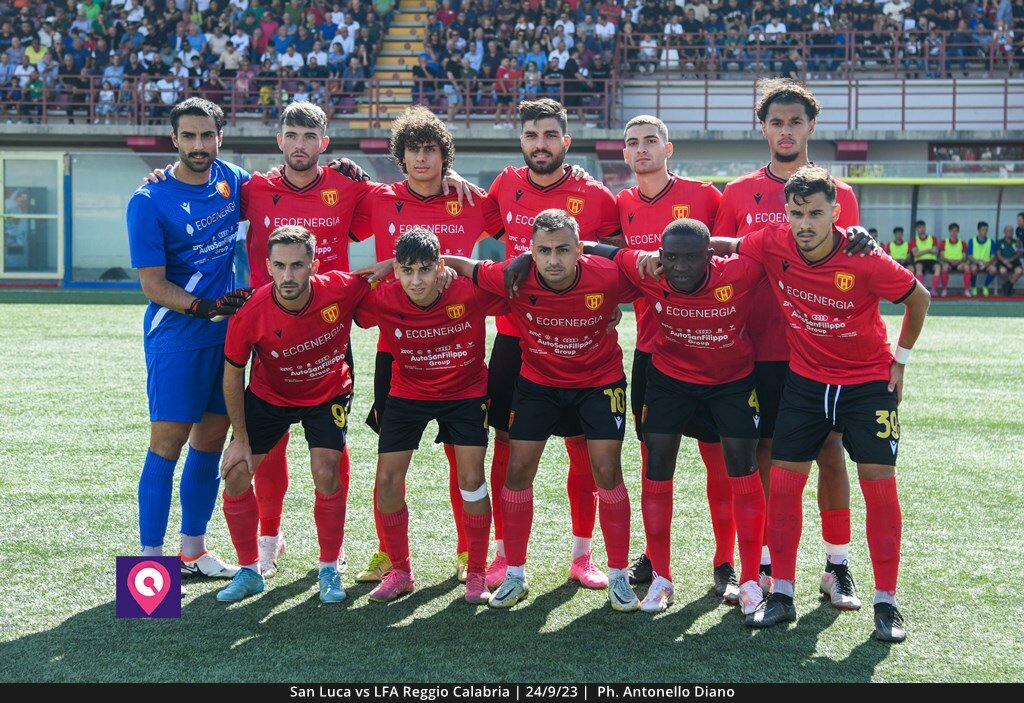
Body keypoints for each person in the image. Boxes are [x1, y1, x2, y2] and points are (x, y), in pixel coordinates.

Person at [708, 166, 930, 642]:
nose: (804, 223)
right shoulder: (773, 240)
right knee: (785, 485)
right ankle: (783, 594)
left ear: (835, 212)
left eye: (815, 213)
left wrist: (901, 361)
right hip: (805, 385)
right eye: (796, 213)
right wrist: (672, 249)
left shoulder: (865, 258)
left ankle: (886, 604)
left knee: (879, 488)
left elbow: (919, 298)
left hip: (868, 385)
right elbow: (728, 246)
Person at [711, 79, 863, 609]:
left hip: (821, 352)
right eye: (776, 122)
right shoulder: (736, 193)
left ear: (810, 127)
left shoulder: (840, 194)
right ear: (764, 128)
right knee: (765, 453)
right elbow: (719, 261)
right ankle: (771, 564)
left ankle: (837, 565)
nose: (785, 130)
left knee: (830, 452)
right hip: (756, 349)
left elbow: (852, 268)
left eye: (795, 122)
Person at [444, 209, 642, 611]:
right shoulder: (514, 276)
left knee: (606, 472)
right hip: (538, 384)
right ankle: (515, 574)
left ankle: (619, 576)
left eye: (564, 250)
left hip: (599, 383)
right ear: (530, 251)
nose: (554, 260)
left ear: (579, 249)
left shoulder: (606, 277)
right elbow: (461, 265)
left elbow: (643, 266)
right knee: (517, 471)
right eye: (544, 250)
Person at [347, 106, 505, 585]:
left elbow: (520, 229)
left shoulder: (473, 199)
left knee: (464, 460)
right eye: (412, 150)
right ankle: (387, 553)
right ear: (400, 156)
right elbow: (331, 205)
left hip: (459, 349)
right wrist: (341, 168)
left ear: (444, 156)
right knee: (391, 460)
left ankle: (467, 552)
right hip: (397, 351)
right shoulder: (378, 199)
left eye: (430, 150)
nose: (421, 159)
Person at [484, 99, 623, 591]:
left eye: (549, 135)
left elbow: (617, 255)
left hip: (579, 345)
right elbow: (473, 224)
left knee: (584, 452)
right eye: (530, 135)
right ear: (521, 141)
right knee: (506, 447)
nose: (539, 144)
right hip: (513, 338)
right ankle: (504, 557)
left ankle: (582, 556)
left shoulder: (595, 194)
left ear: (566, 142)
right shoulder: (504, 185)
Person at [599, 219, 767, 614]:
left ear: (710, 257)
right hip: (669, 381)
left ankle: (748, 580)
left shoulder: (740, 271)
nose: (679, 267)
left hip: (732, 383)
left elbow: (776, 245)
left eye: (691, 258)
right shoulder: (650, 272)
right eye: (671, 258)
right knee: (656, 468)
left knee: (742, 469)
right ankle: (661, 578)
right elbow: (595, 251)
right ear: (660, 257)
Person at [126, 98, 253, 594]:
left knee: (209, 443)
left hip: (225, 340)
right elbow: (153, 285)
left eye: (207, 136)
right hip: (175, 337)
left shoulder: (235, 180)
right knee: (167, 444)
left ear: (220, 137)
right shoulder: (148, 199)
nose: (199, 146)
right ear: (173, 140)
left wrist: (343, 169)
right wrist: (205, 308)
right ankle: (147, 575)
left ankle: (193, 551)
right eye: (188, 137)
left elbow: (289, 185)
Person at [614, 115, 741, 601]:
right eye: (632, 143)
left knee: (720, 464)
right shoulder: (620, 203)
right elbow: (612, 263)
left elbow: (732, 258)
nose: (641, 149)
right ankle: (654, 556)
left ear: (669, 148)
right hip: (653, 350)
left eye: (650, 141)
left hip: (711, 351)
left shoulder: (708, 196)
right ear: (625, 155)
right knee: (654, 460)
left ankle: (725, 561)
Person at [353, 228, 510, 604]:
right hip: (407, 393)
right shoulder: (383, 298)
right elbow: (342, 300)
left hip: (466, 393)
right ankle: (401, 572)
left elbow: (508, 279)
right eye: (406, 270)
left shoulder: (468, 290)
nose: (416, 280)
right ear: (397, 271)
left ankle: (475, 572)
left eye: (426, 269)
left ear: (440, 267)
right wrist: (383, 270)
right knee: (388, 480)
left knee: (472, 479)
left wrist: (458, 263)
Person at [218, 226, 369, 603]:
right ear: (268, 267)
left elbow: (380, 274)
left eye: (298, 265)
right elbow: (233, 375)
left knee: (326, 471)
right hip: (270, 396)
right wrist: (240, 438)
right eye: (281, 266)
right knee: (234, 472)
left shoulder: (341, 287)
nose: (288, 276)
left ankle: (330, 566)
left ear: (314, 266)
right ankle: (250, 570)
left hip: (327, 392)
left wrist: (447, 267)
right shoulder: (250, 312)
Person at [939, 222, 970, 297]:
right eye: (952, 230)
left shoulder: (962, 243)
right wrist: (950, 261)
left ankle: (966, 290)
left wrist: (957, 261)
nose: (954, 232)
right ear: (949, 231)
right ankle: (944, 290)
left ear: (958, 232)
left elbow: (964, 257)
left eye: (956, 230)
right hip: (948, 262)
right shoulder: (944, 242)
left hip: (959, 263)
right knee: (944, 267)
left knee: (967, 267)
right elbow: (942, 256)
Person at [910, 219, 940, 294]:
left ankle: (933, 290)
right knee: (918, 267)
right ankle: (922, 290)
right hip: (919, 261)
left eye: (923, 227)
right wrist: (929, 250)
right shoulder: (914, 240)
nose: (922, 229)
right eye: (919, 227)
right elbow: (915, 254)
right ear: (916, 229)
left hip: (932, 260)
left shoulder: (933, 238)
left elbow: (936, 251)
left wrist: (921, 251)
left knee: (938, 267)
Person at [968, 221, 997, 296]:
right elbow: (969, 255)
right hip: (975, 263)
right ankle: (974, 287)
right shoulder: (972, 241)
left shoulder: (991, 241)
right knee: (973, 269)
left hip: (987, 263)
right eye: (983, 230)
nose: (985, 231)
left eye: (986, 230)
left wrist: (988, 262)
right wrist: (976, 261)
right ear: (978, 230)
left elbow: (993, 255)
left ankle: (985, 286)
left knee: (993, 269)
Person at [996, 225, 1023, 296]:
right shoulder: (1000, 242)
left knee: (1019, 271)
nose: (1009, 233)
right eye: (1007, 231)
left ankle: (1008, 285)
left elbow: (1018, 254)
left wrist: (1010, 260)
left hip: (1014, 261)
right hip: (1003, 261)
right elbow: (998, 255)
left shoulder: (1015, 242)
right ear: (1004, 232)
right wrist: (1005, 261)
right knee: (1002, 271)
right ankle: (1009, 286)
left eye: (1011, 231)